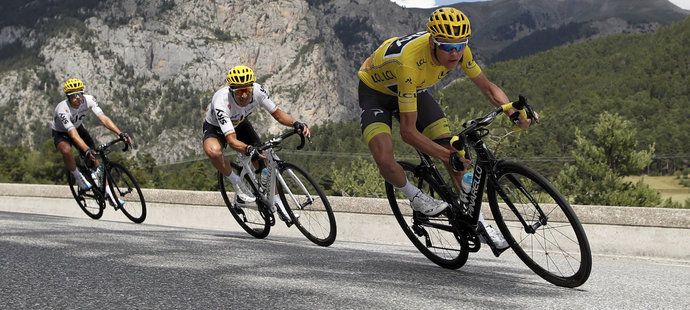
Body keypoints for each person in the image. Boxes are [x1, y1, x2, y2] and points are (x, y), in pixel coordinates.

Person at [357, 7, 536, 250]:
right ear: (432, 42)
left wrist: (512, 111)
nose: (455, 53)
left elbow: (487, 88)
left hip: (413, 90)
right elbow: (408, 132)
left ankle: (479, 223)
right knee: (384, 158)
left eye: (461, 45)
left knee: (454, 149)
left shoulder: (460, 51)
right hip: (376, 94)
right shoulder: (410, 63)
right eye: (447, 47)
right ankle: (415, 197)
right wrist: (445, 155)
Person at [202, 65, 310, 214]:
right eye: (240, 91)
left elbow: (278, 114)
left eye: (247, 90)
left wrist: (296, 123)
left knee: (264, 162)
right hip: (216, 129)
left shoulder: (258, 91)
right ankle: (238, 185)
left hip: (239, 123)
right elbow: (232, 140)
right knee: (213, 151)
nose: (244, 95)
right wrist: (248, 149)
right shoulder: (221, 101)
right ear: (232, 91)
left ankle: (278, 202)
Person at [51, 78, 133, 206]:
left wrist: (120, 133)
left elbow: (103, 119)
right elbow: (72, 134)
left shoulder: (89, 100)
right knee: (66, 150)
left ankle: (110, 196)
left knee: (95, 161)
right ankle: (78, 177)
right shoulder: (62, 109)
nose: (77, 98)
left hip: (79, 128)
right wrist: (86, 149)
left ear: (83, 94)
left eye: (79, 94)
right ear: (68, 97)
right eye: (73, 95)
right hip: (62, 133)